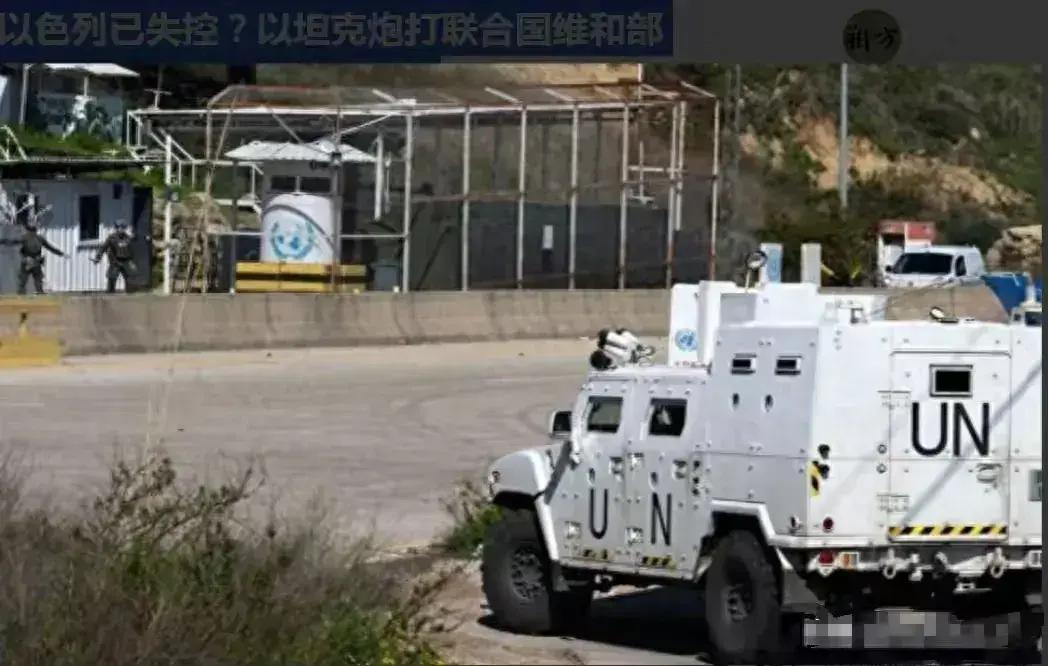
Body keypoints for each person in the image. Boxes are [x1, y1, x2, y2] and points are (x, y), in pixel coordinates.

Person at [0, 222, 66, 295]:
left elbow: (13, 242)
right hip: (36, 261)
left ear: (28, 229)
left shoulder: (25, 237)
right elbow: (50, 248)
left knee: (23, 281)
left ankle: (21, 294)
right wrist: (61, 254)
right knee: (38, 279)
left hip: (27, 261)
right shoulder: (40, 238)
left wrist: (3, 241)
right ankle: (39, 293)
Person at [93, 219, 137, 293]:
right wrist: (98, 257)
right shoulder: (112, 237)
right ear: (116, 228)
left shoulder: (128, 238)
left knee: (130, 277)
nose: (121, 229)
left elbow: (131, 250)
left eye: (123, 227)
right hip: (115, 261)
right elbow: (103, 247)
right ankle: (110, 293)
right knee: (112, 277)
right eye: (119, 227)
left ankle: (129, 294)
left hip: (126, 260)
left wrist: (131, 262)